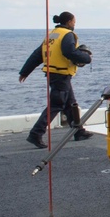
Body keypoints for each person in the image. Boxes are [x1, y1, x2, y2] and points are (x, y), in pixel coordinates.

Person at [19, 11, 94, 148]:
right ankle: (36, 134)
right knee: (56, 105)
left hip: (53, 73)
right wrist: (86, 58)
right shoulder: (67, 35)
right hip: (61, 74)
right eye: (74, 22)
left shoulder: (52, 35)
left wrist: (25, 72)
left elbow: (38, 54)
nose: (74, 24)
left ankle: (78, 131)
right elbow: (69, 52)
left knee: (71, 103)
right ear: (69, 22)